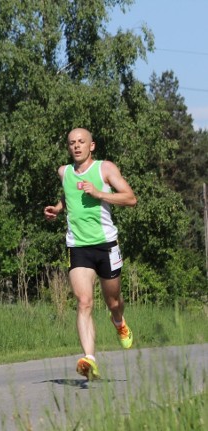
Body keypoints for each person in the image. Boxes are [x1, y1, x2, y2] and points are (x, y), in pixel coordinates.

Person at [44, 128, 137, 380]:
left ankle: (118, 322)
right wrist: (58, 208)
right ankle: (90, 359)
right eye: (72, 143)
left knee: (113, 301)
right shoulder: (64, 172)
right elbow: (70, 194)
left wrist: (99, 193)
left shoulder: (105, 169)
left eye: (81, 142)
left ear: (91, 146)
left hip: (106, 244)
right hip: (78, 246)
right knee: (84, 301)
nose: (76, 146)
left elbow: (130, 198)